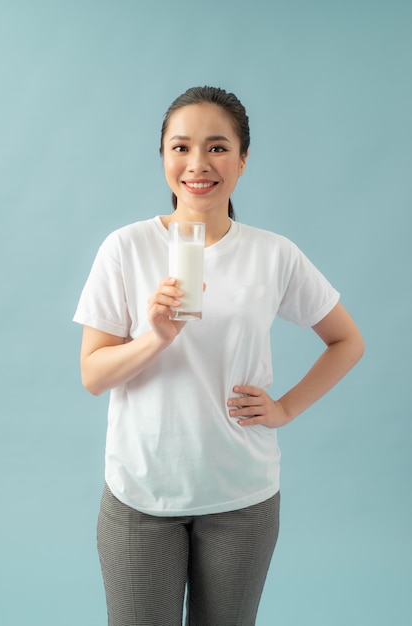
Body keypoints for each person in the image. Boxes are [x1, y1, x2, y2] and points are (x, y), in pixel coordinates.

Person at [73, 86, 364, 626]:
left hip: (241, 496)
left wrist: (286, 408)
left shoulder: (273, 254)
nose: (198, 164)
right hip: (141, 493)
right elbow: (93, 374)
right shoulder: (125, 248)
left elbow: (347, 340)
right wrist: (155, 337)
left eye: (218, 147)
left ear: (242, 159)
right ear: (163, 157)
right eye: (181, 147)